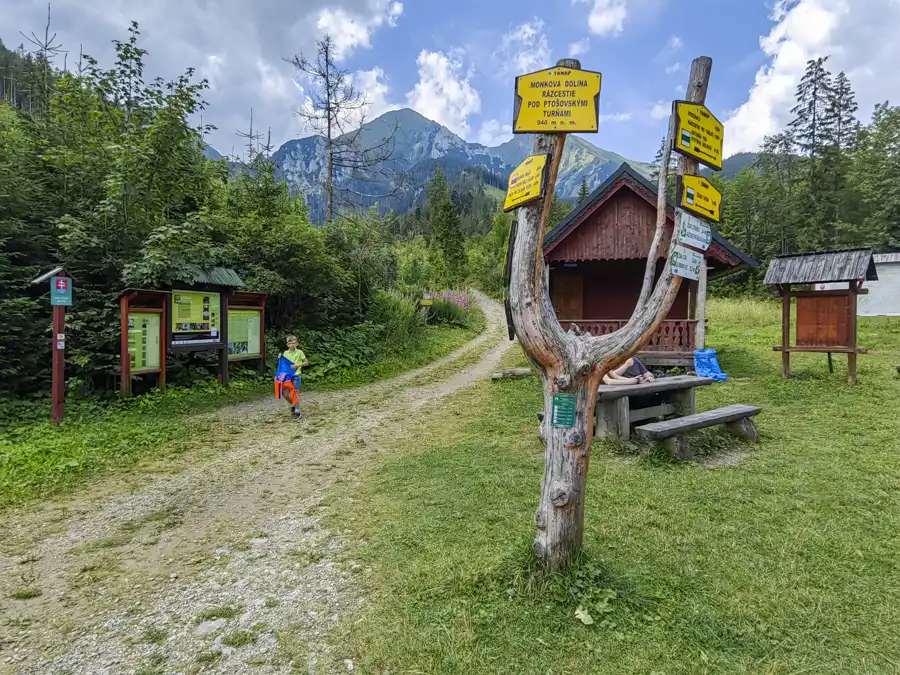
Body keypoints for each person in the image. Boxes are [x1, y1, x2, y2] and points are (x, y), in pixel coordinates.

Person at [281, 335, 309, 419]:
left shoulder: (299, 352)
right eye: (290, 343)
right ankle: (293, 404)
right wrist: (280, 375)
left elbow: (306, 362)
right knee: (285, 394)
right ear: (287, 345)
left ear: (297, 343)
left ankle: (297, 411)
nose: (292, 345)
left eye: (294, 343)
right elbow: (283, 366)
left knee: (295, 392)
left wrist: (298, 365)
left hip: (296, 376)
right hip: (287, 376)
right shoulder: (285, 353)